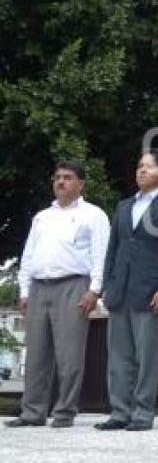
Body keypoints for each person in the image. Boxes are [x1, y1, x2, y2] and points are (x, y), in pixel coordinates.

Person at [5, 161, 110, 428]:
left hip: (73, 285)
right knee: (36, 353)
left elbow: (101, 255)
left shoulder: (93, 215)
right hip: (39, 286)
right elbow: (28, 255)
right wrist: (24, 290)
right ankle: (32, 412)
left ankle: (64, 411)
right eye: (57, 178)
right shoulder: (42, 217)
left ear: (81, 183)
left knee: (70, 354)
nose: (61, 182)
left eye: (67, 177)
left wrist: (94, 290)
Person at [94, 149, 158, 432]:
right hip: (119, 291)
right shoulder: (124, 207)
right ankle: (119, 412)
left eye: (148, 167)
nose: (141, 171)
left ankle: (142, 414)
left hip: (151, 292)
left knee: (146, 357)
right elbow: (113, 250)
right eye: (139, 166)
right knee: (119, 356)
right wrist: (107, 286)